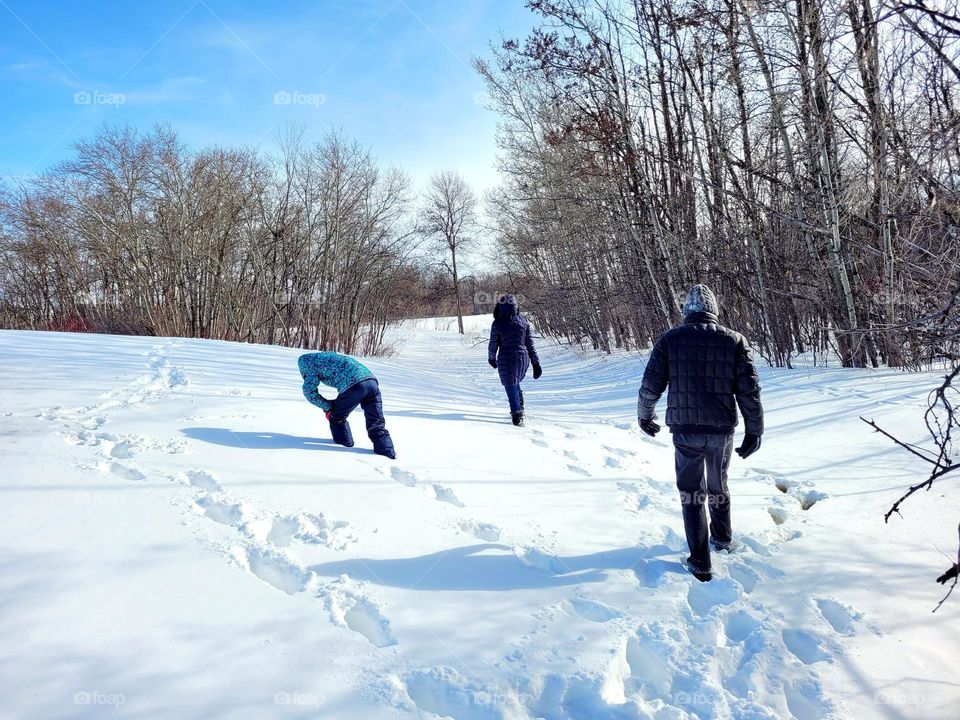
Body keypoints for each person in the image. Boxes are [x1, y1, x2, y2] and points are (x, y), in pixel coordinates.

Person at [637, 284, 763, 582]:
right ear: (714, 310)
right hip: (721, 431)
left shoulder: (670, 339)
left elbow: (651, 384)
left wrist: (645, 415)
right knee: (718, 484)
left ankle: (701, 560)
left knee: (692, 492)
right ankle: (721, 538)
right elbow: (750, 392)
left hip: (685, 431)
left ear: (686, 312)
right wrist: (754, 431)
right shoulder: (734, 340)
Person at [298, 351, 396, 459]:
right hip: (371, 381)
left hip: (354, 384)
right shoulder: (327, 356)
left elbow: (309, 392)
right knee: (376, 421)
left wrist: (328, 407)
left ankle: (343, 445)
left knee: (336, 416)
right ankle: (387, 453)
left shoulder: (308, 365)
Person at [488, 294, 542, 426]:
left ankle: (517, 414)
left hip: (506, 357)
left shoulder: (497, 323)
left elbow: (493, 343)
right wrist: (536, 363)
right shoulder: (523, 321)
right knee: (514, 379)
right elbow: (530, 343)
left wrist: (491, 358)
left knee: (510, 384)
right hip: (522, 358)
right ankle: (520, 404)